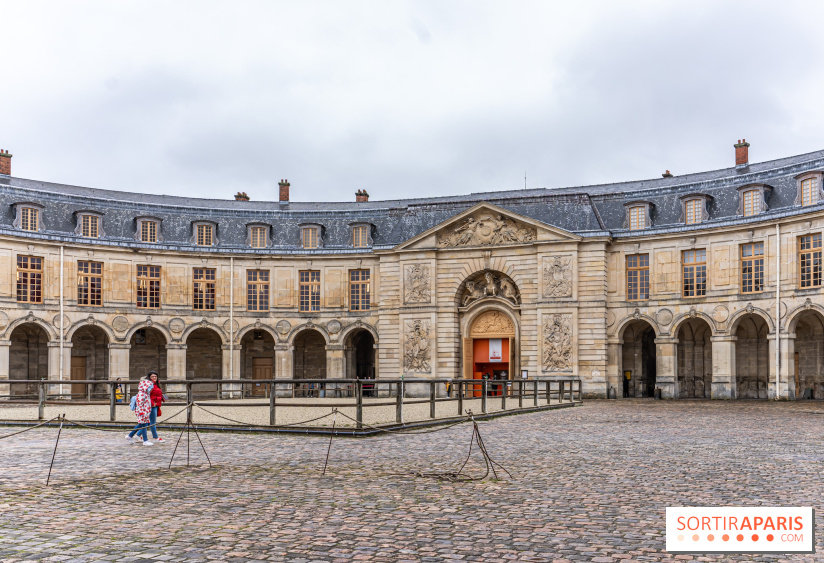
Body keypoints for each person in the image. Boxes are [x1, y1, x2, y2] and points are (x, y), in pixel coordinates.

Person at [126, 376, 154, 445]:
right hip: (142, 412)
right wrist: (142, 413)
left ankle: (130, 436)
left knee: (141, 424)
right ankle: (145, 440)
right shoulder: (141, 394)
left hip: (145, 412)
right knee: (144, 425)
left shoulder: (146, 394)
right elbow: (139, 404)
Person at [148, 371, 166, 443]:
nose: (154, 377)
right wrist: (152, 403)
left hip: (157, 404)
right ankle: (156, 437)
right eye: (152, 376)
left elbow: (158, 393)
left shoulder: (157, 384)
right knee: (152, 422)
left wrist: (163, 398)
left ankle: (137, 435)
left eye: (155, 376)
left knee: (148, 421)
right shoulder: (149, 384)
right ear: (149, 377)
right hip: (152, 405)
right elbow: (147, 395)